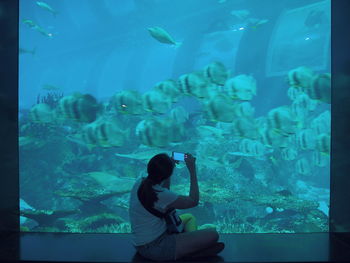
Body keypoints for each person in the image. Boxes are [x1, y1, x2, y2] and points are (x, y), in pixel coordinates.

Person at [129, 152, 225, 261]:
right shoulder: (161, 194)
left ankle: (190, 246)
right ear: (167, 173)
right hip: (156, 247)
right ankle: (190, 252)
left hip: (141, 243)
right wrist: (192, 169)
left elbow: (165, 193)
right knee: (213, 234)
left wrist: (168, 171)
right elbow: (193, 201)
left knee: (189, 217)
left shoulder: (140, 183)